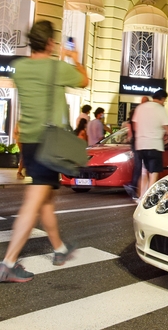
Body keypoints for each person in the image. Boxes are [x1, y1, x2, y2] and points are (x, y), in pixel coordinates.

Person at [0, 20, 89, 283]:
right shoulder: (57, 67)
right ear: (50, 43)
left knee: (45, 199)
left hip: (28, 142)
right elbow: (84, 80)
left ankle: (59, 249)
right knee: (33, 201)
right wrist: (73, 57)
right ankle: (8, 263)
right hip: (48, 143)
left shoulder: (20, 67)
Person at [132, 89, 168, 198]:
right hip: (154, 145)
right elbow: (167, 128)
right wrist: (167, 134)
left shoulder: (140, 107)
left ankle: (140, 196)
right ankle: (148, 198)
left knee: (143, 171)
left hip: (140, 145)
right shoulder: (160, 109)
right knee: (153, 173)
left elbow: (135, 126)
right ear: (162, 99)